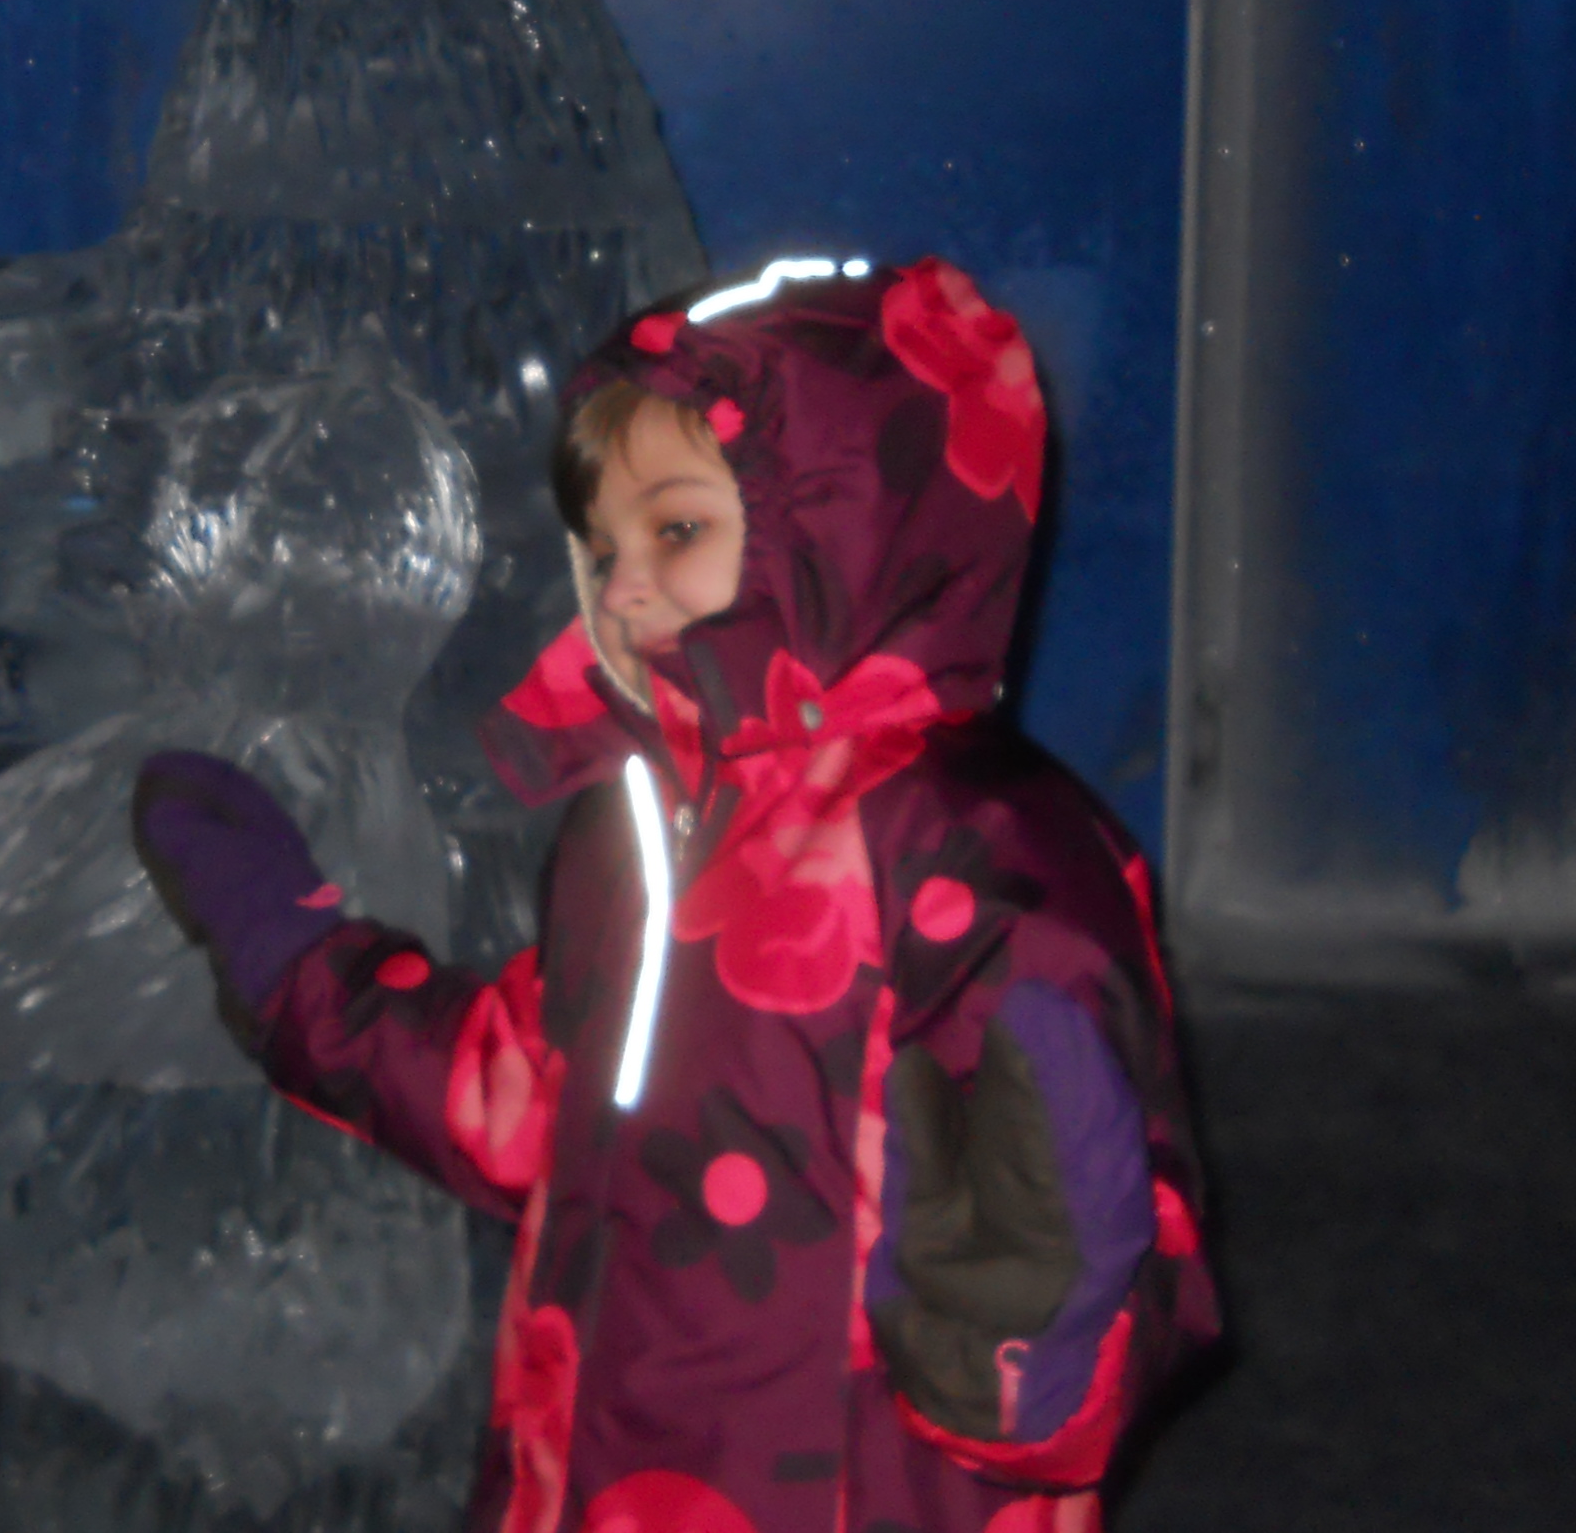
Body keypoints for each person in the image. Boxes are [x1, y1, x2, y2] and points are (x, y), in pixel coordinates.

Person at [131, 258, 1219, 1533]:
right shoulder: (637, 828)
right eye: (599, 549)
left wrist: (1028, 1349)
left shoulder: (980, 844)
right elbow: (529, 1103)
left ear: (849, 525)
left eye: (677, 531)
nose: (619, 587)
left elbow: (1093, 1239)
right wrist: (295, 962)